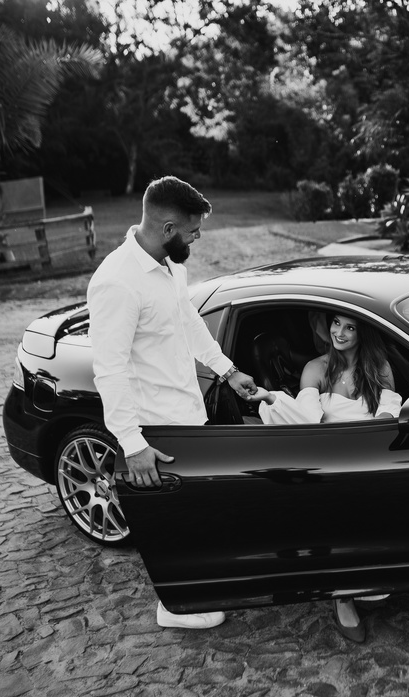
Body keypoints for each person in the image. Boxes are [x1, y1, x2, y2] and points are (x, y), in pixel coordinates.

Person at [87, 176, 259, 631]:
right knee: (172, 522)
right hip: (155, 429)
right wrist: (132, 443)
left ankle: (197, 589)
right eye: (192, 231)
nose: (197, 238)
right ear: (167, 229)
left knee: (194, 514)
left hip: (188, 414)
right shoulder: (117, 283)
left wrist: (227, 370)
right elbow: (109, 370)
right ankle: (174, 607)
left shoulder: (170, 266)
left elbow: (189, 324)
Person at [250, 313, 402, 642]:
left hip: (369, 457)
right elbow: (306, 422)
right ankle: (342, 597)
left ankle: (367, 579)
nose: (339, 332)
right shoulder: (316, 369)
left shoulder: (379, 367)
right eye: (335, 323)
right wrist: (272, 398)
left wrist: (369, 442)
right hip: (327, 461)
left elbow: (389, 414)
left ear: (363, 333)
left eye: (350, 327)